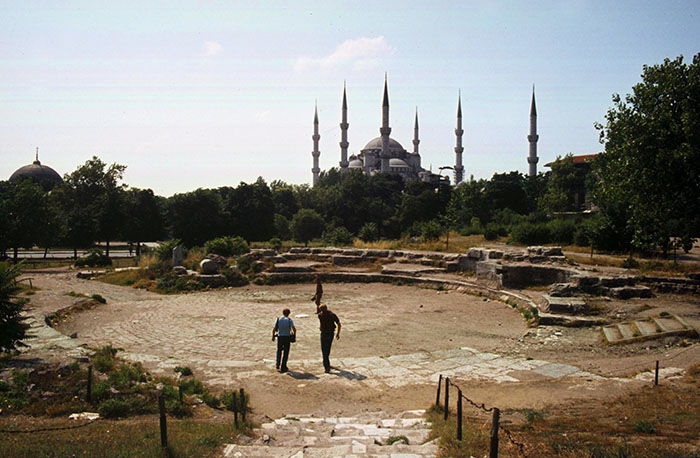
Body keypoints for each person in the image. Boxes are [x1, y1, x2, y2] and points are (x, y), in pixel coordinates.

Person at [317, 304, 341, 373]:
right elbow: (339, 324)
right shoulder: (332, 315)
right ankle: (327, 363)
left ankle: (326, 366)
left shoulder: (320, 316)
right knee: (328, 348)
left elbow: (321, 315)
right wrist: (338, 333)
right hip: (331, 333)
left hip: (324, 333)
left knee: (324, 349)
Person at [273, 308, 296, 373]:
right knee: (286, 352)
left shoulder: (278, 319)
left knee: (279, 350)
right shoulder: (289, 320)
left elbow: (274, 328)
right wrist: (294, 335)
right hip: (287, 337)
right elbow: (294, 328)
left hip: (280, 336)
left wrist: (273, 336)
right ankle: (283, 366)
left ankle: (278, 364)